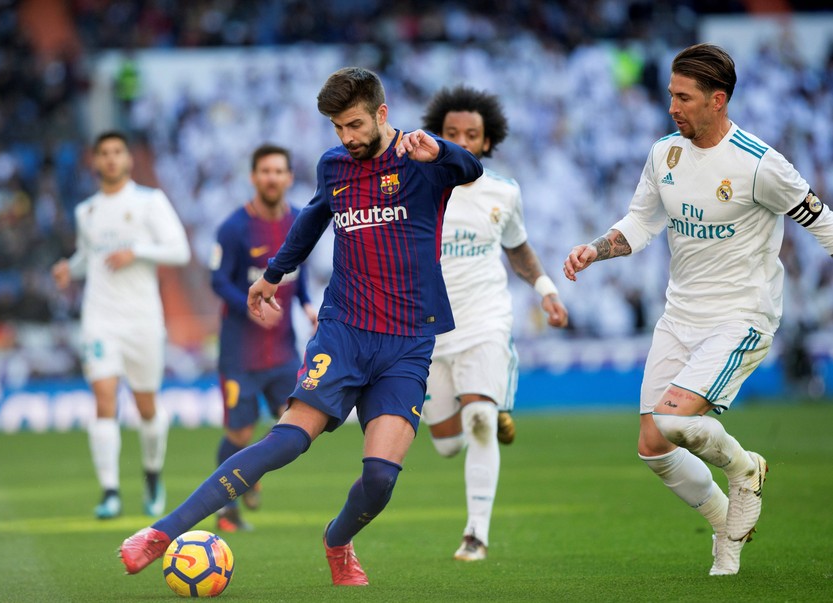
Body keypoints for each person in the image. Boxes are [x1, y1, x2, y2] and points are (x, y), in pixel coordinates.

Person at [120, 67, 483, 585]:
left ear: (382, 114)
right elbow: (313, 218)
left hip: (408, 342)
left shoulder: (422, 161)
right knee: (286, 442)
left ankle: (337, 542)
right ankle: (160, 533)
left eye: (355, 125)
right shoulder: (335, 166)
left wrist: (443, 152)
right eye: (338, 128)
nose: (347, 138)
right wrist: (271, 275)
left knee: (379, 477)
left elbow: (472, 169)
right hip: (346, 329)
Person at [563, 43, 833, 576]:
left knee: (673, 421)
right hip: (679, 315)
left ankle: (745, 469)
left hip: (741, 316)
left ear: (718, 100)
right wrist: (596, 248)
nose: (672, 107)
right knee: (653, 446)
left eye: (683, 98)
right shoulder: (665, 154)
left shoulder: (760, 165)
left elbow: (822, 220)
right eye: (670, 95)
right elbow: (640, 223)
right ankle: (723, 528)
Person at [419, 86, 569, 561]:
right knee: (446, 445)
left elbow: (517, 247)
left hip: (485, 320)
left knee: (480, 418)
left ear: (487, 142)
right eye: (452, 133)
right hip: (427, 331)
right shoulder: (417, 185)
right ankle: (486, 406)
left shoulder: (503, 191)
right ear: (438, 136)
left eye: (472, 134)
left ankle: (475, 536)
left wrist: (546, 289)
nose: (462, 140)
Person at [52, 131, 191, 519]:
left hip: (143, 319)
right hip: (99, 318)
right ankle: (110, 491)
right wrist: (70, 267)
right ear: (94, 162)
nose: (111, 159)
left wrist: (138, 252)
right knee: (104, 399)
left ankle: (151, 474)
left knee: (147, 407)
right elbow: (89, 256)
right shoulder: (87, 212)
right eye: (104, 154)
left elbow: (179, 250)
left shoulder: (149, 201)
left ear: (128, 159)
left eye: (117, 152)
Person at [208, 143, 317, 532]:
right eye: (265, 171)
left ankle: (252, 474)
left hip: (284, 351)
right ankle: (228, 511)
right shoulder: (234, 228)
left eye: (279, 171)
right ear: (254, 177)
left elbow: (297, 273)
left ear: (289, 177)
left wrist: (306, 304)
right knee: (238, 432)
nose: (272, 177)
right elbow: (218, 281)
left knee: (293, 425)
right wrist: (250, 305)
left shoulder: (302, 220)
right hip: (240, 352)